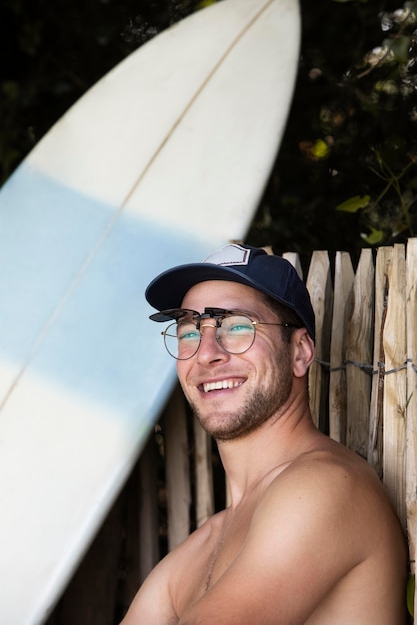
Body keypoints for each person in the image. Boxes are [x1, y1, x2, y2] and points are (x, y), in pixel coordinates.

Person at [121, 243, 408, 624]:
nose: (206, 353)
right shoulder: (203, 544)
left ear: (300, 352)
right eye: (190, 330)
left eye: (237, 326)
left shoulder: (324, 488)